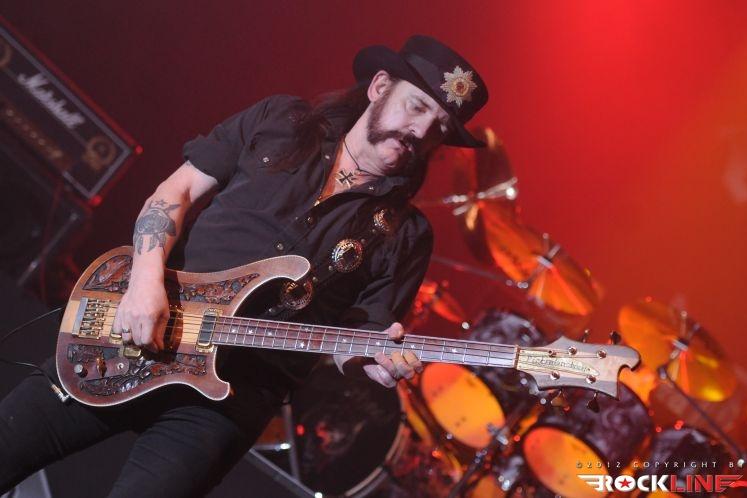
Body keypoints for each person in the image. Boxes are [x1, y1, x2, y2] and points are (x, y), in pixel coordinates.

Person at [0, 34, 488, 497]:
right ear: (380, 86)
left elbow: (358, 336)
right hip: (137, 328)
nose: (421, 132)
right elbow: (177, 192)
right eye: (416, 106)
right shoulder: (282, 121)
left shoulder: (406, 234)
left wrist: (373, 363)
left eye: (440, 128)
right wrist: (145, 285)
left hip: (225, 403)